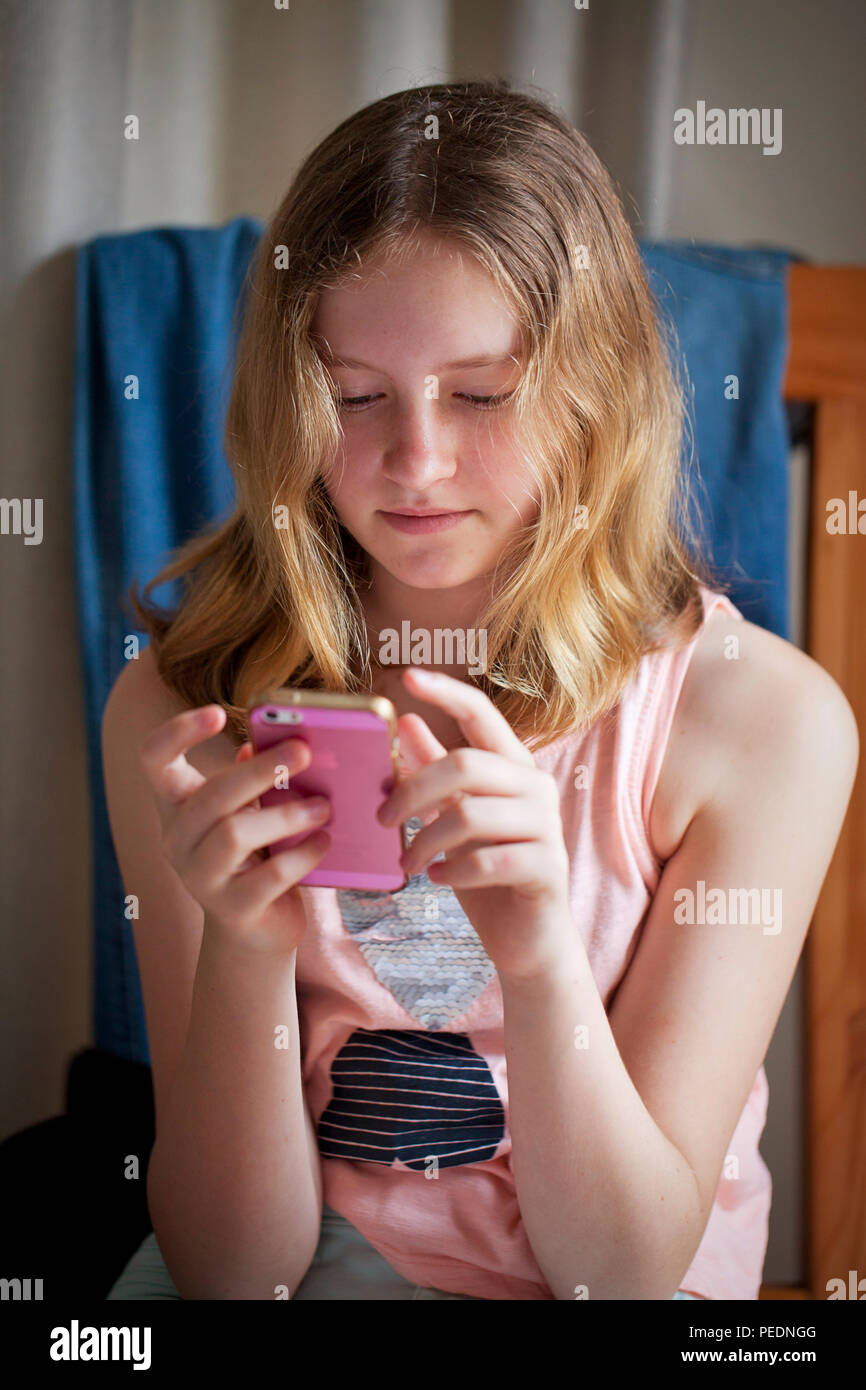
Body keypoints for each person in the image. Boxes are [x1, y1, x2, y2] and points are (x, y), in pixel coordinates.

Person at [101, 79, 857, 1301]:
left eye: (483, 393)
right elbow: (231, 1274)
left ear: (591, 393)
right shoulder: (185, 709)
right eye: (352, 396)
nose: (414, 460)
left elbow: (618, 1271)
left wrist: (542, 957)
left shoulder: (759, 724)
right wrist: (243, 958)